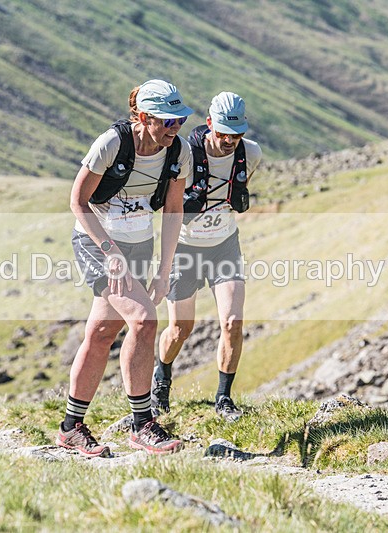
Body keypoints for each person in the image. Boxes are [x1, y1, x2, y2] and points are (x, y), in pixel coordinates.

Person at [57, 79, 194, 456]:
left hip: (138, 243)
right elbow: (78, 201)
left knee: (102, 333)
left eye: (180, 120)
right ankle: (142, 424)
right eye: (167, 121)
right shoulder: (112, 144)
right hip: (97, 242)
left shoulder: (178, 151)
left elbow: (174, 211)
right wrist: (110, 252)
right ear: (144, 117)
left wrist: (164, 271)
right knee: (144, 320)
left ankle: (70, 427)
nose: (175, 128)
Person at [152, 92, 263, 421]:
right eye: (224, 132)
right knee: (180, 329)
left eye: (237, 134)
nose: (230, 140)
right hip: (184, 247)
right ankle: (161, 380)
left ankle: (224, 399)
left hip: (224, 245)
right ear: (210, 122)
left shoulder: (250, 153)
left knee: (232, 322)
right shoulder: (184, 153)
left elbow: (235, 195)